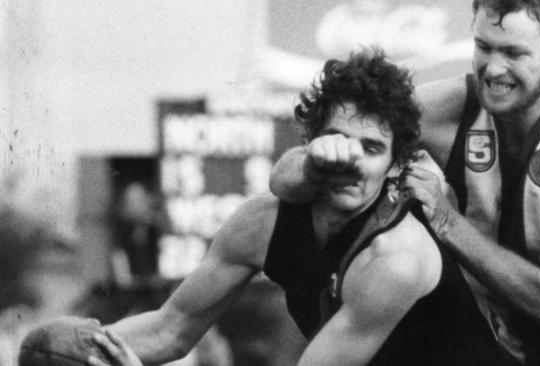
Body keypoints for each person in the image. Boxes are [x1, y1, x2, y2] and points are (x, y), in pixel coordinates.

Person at [269, 1, 540, 365]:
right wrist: (316, 165)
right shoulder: (451, 106)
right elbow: (281, 182)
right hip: (505, 355)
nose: (494, 69)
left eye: (514, 53)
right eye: (484, 47)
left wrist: (448, 222)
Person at [90, 49, 504, 365]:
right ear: (311, 141)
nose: (351, 161)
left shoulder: (396, 257)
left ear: (397, 164)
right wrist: (86, 347)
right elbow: (169, 330)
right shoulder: (261, 223)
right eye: (338, 140)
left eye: (372, 149)